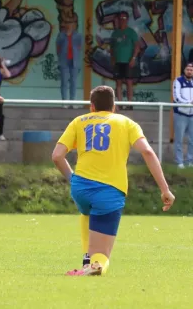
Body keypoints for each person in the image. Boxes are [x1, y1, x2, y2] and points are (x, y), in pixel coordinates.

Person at [51, 85, 175, 276]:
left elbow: (57, 156)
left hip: (80, 189)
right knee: (103, 255)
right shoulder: (126, 123)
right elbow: (147, 152)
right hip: (109, 190)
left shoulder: (79, 122)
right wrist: (165, 189)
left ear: (92, 107)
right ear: (114, 106)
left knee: (87, 214)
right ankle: (95, 265)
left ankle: (87, 260)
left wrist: (72, 178)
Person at [110, 12, 140, 109]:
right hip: (118, 61)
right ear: (118, 19)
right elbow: (111, 47)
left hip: (128, 61)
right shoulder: (115, 33)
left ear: (127, 19)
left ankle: (130, 104)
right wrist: (113, 58)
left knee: (129, 82)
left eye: (124, 17)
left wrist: (133, 58)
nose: (122, 19)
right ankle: (120, 104)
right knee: (118, 82)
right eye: (121, 17)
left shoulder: (131, 32)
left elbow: (137, 46)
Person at [55, 22, 83, 108]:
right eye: (68, 24)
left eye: (72, 25)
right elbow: (58, 47)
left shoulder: (78, 35)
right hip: (64, 61)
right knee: (64, 81)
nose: (70, 26)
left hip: (74, 61)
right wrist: (67, 36)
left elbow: (80, 47)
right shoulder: (61, 35)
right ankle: (64, 101)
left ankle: (72, 101)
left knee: (73, 81)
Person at [173, 62, 193, 168]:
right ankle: (179, 162)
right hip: (181, 114)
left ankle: (190, 161)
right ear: (184, 70)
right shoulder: (178, 81)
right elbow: (176, 97)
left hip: (192, 115)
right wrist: (189, 103)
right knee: (179, 139)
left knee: (192, 140)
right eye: (188, 69)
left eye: (191, 70)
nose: (189, 71)